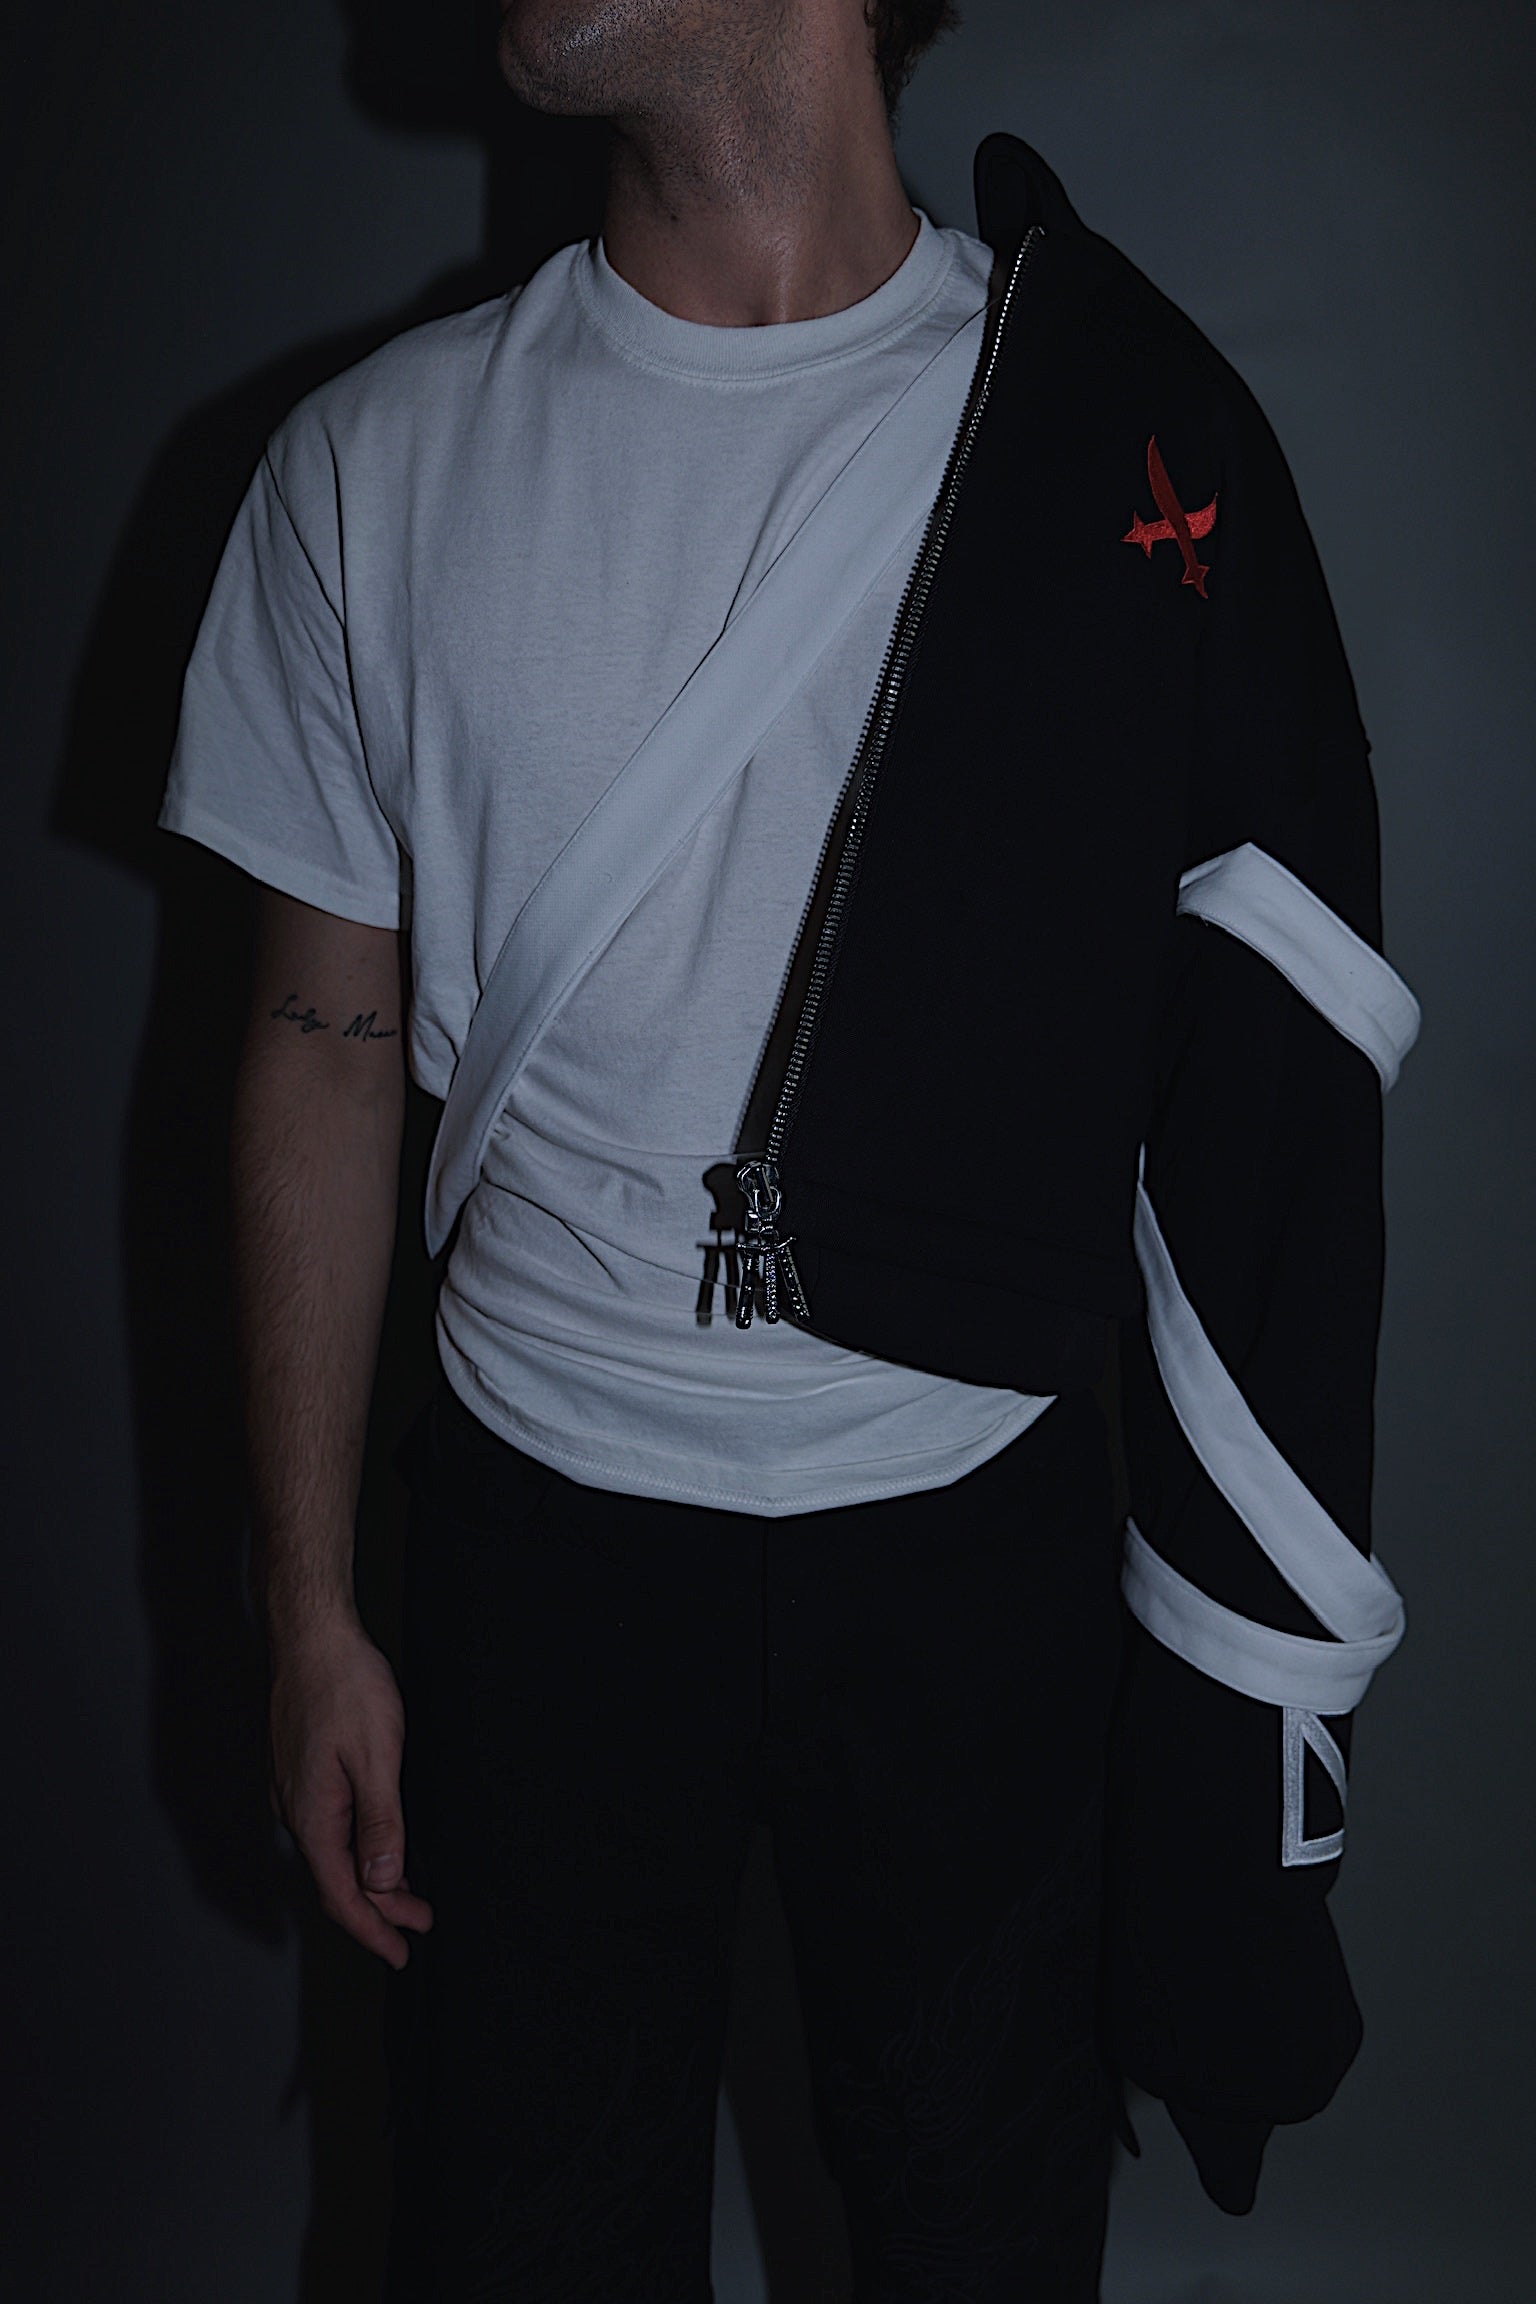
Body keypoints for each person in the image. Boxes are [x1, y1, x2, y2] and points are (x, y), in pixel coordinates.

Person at [159, 2, 1419, 2296]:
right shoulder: (370, 465)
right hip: (537, 1548)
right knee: (518, 2249)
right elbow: (324, 1048)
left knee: (984, 2243)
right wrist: (316, 1605)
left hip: (972, 1534)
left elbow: (1259, 1088)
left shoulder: (1108, 436)